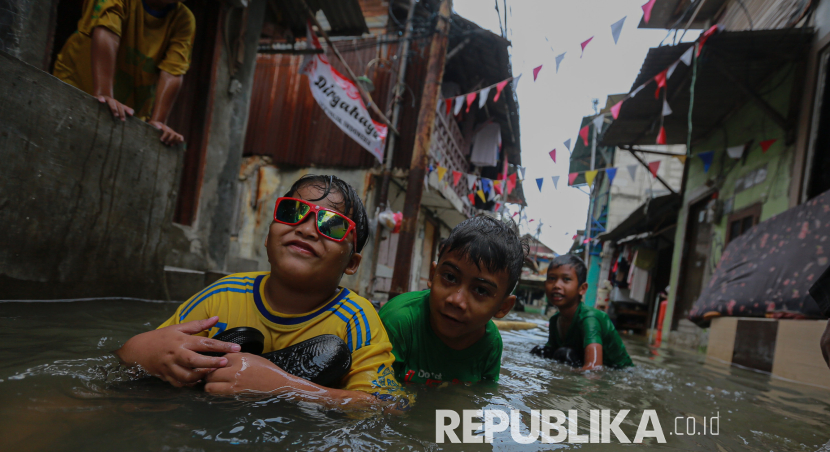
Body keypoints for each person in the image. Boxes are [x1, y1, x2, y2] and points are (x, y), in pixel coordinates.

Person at [114, 175, 408, 412]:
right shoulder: (223, 295)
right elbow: (130, 359)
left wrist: (283, 387)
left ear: (352, 264)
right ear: (268, 237)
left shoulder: (356, 318)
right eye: (293, 212)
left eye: (332, 225)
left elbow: (388, 408)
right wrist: (143, 351)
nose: (306, 230)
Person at [379, 215, 527, 385]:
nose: (456, 300)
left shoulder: (490, 343)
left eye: (480, 290)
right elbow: (375, 394)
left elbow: (480, 398)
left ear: (503, 307)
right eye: (450, 277)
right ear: (432, 275)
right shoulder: (399, 321)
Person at [53, 0, 195, 146]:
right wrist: (105, 94)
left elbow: (173, 71)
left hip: (126, 116)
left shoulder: (183, 19)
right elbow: (106, 31)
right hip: (76, 87)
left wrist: (157, 124)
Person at [531, 254, 633, 371]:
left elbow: (593, 368)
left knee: (565, 354)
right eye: (552, 278)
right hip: (582, 360)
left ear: (582, 288)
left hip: (619, 372)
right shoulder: (555, 320)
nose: (556, 285)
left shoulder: (589, 319)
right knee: (541, 352)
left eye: (566, 279)